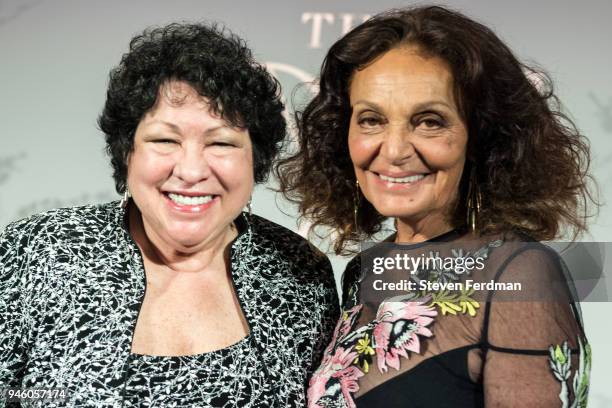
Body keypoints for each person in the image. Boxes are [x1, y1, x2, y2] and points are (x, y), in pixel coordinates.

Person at [0, 23, 339, 407]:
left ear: (254, 160)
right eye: (164, 140)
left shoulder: (300, 273)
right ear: (127, 152)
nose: (191, 171)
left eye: (221, 142)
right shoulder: (40, 250)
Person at [277, 6, 597, 407]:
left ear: (481, 136)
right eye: (371, 119)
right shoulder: (366, 269)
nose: (393, 151)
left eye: (429, 121)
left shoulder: (520, 274)